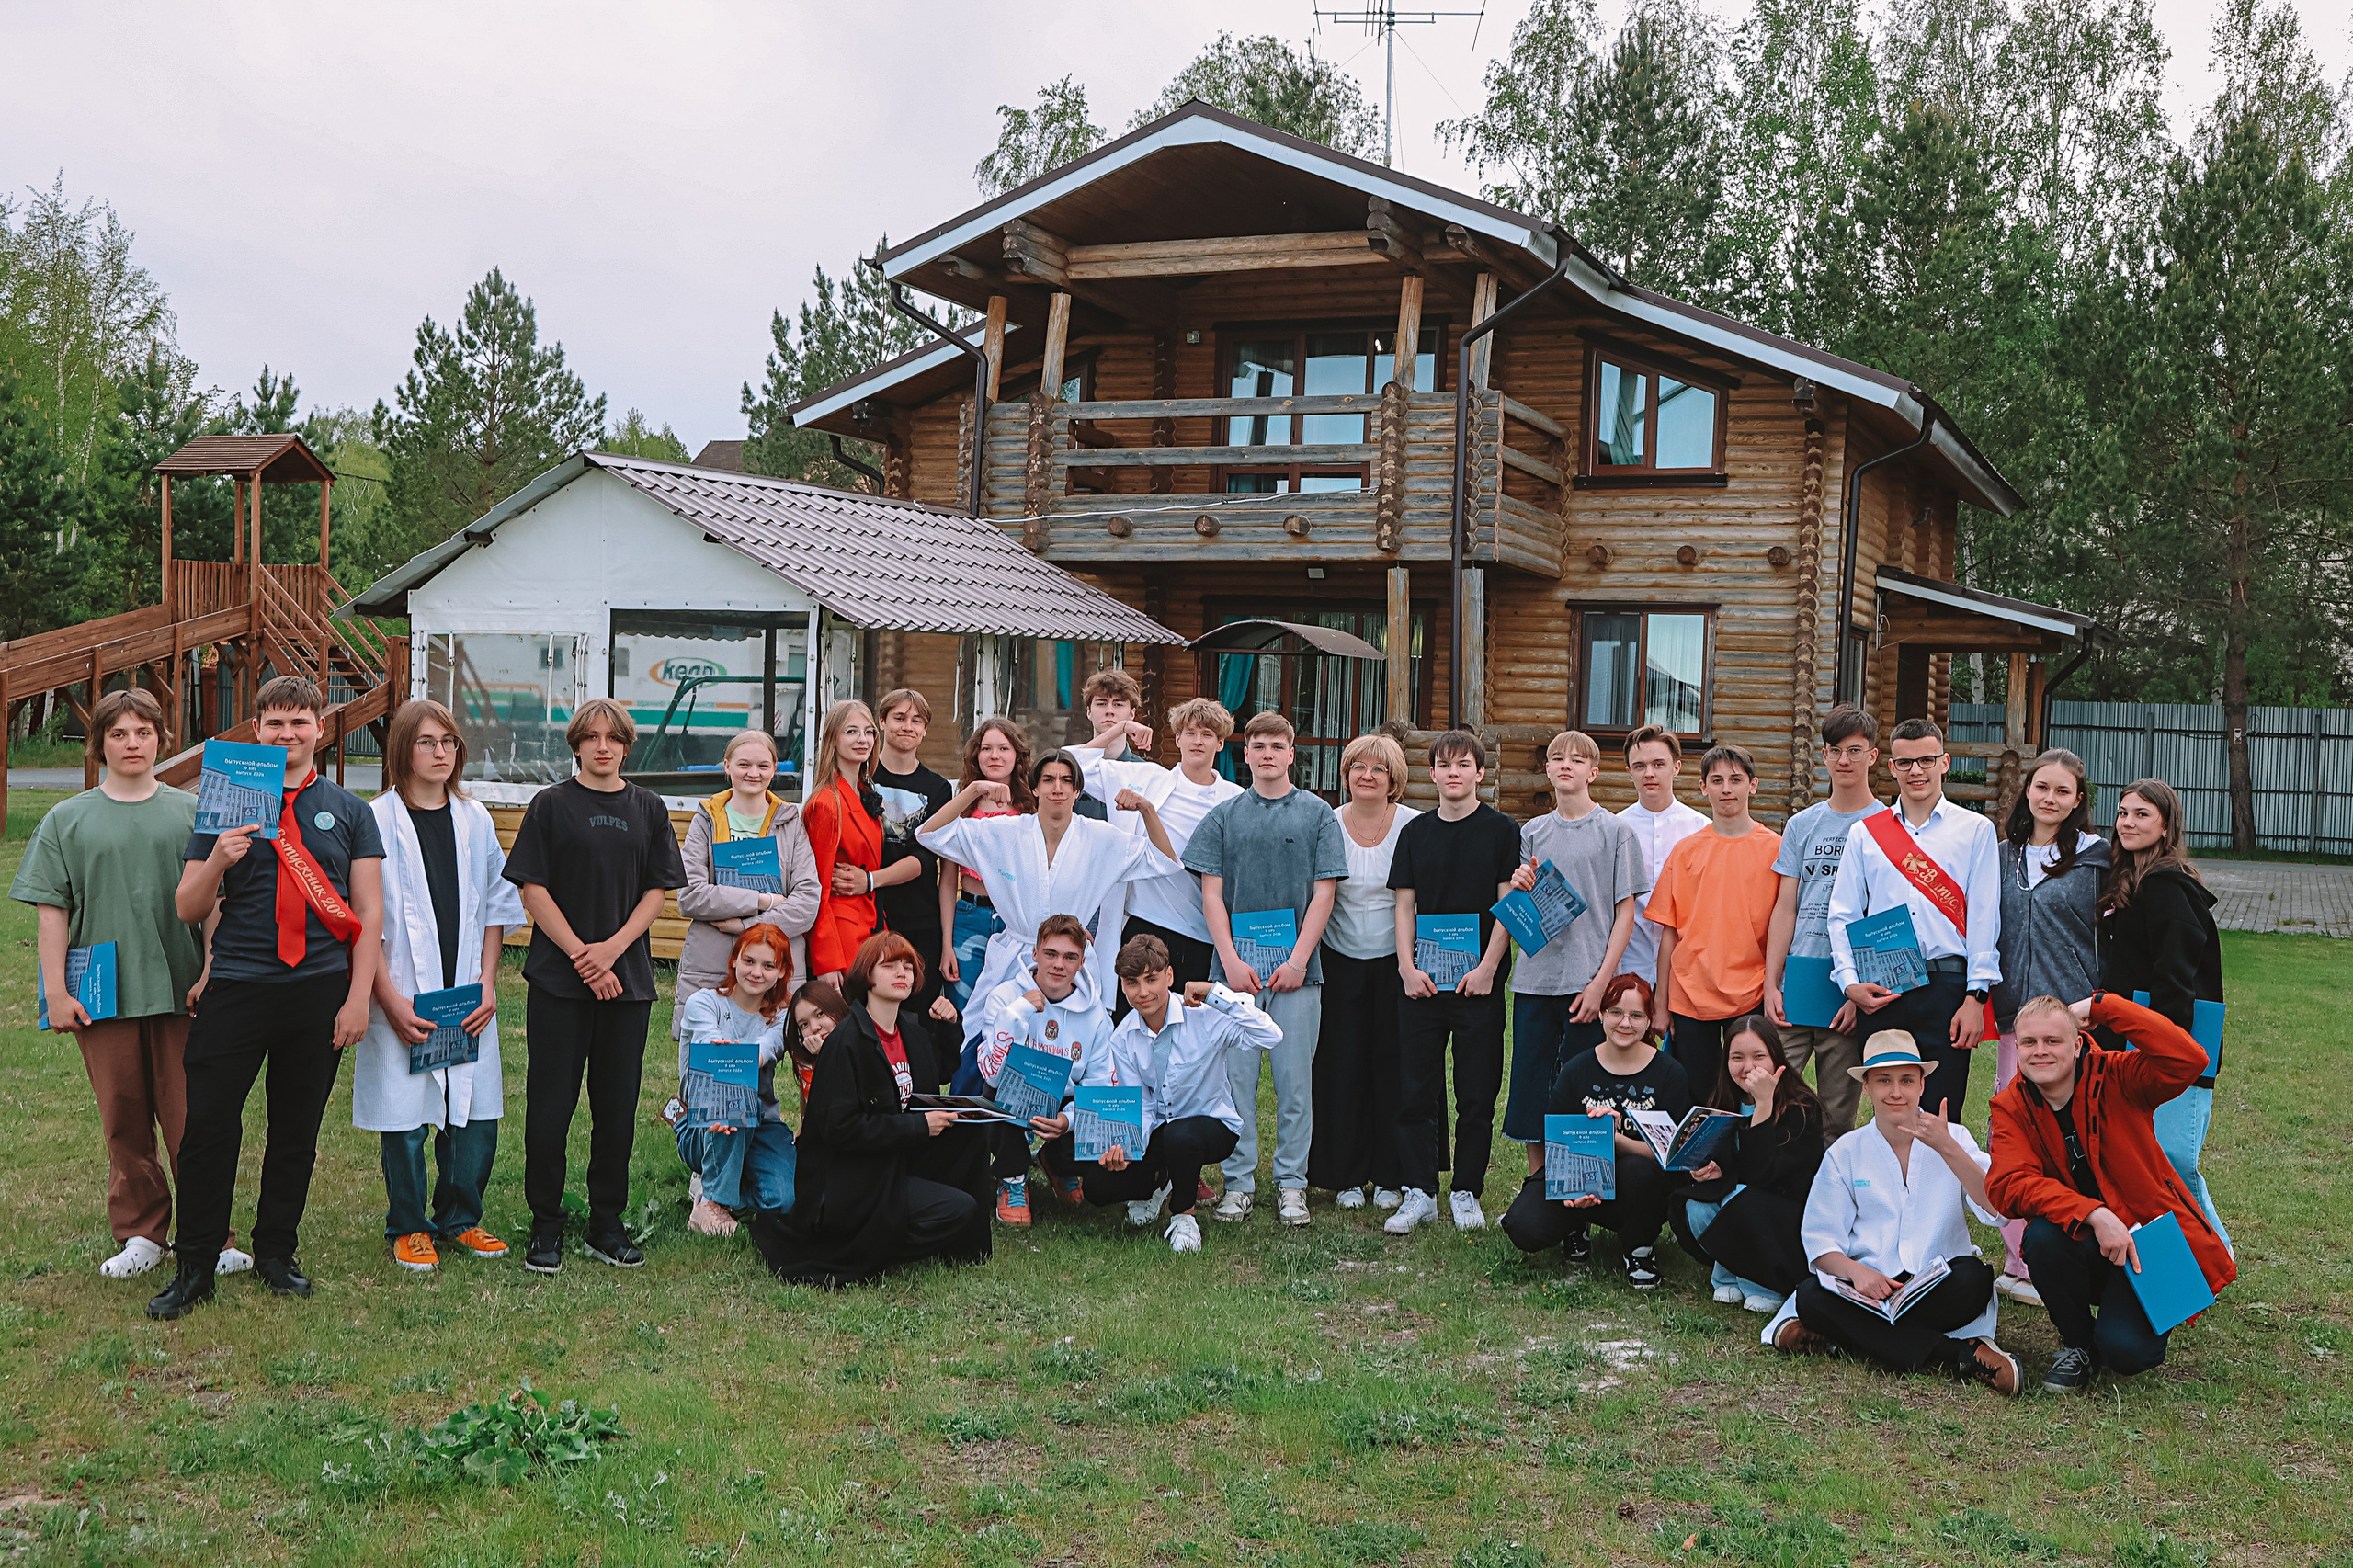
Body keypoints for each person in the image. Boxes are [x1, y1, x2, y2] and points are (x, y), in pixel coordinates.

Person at [151, 676, 385, 1319]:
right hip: (239, 988)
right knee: (207, 1129)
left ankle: (277, 1253)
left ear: (321, 728)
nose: (288, 734)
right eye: (275, 723)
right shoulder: (226, 804)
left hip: (317, 992)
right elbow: (186, 907)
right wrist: (219, 861)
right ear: (256, 730)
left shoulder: (351, 810)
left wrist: (358, 998)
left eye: (299, 722)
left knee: (295, 1131)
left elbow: (368, 911)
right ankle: (195, 1265)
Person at [11, 689, 251, 1284]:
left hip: (182, 989)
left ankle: (208, 1233)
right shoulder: (67, 820)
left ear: (160, 738)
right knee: (124, 1116)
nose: (133, 743)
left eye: (143, 731)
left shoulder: (192, 813)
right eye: (118, 734)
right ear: (99, 746)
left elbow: (218, 902)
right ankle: (142, 1232)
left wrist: (212, 969)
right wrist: (55, 992)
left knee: (191, 1118)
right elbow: (51, 911)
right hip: (101, 998)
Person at [503, 697, 688, 1276]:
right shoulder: (550, 805)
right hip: (559, 981)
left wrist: (610, 951)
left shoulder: (649, 808)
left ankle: (606, 1223)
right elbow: (532, 888)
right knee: (550, 1106)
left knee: (616, 1110)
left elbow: (657, 893)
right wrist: (582, 955)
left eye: (614, 738)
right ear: (576, 744)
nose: (603, 747)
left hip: (626, 983)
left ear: (627, 746)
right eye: (592, 737)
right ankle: (546, 1225)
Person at [1988, 994, 2236, 1392]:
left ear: (2077, 1042)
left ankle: (2127, 1318)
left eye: (2053, 1041)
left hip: (2147, 1244)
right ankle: (2079, 1345)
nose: (2040, 1052)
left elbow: (2188, 1058)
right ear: (2017, 1047)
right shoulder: (2011, 1106)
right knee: (2042, 1238)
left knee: (2127, 1353)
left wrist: (2106, 1007)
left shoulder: (2117, 1074)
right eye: (2029, 1043)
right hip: (2084, 1243)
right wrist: (2093, 1214)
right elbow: (2008, 1184)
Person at [354, 699, 525, 1272]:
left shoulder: (474, 820)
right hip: (401, 990)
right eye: (427, 742)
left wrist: (488, 982)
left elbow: (497, 904)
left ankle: (461, 1218)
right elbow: (361, 918)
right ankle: (408, 1224)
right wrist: (388, 1000)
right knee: (405, 1115)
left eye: (449, 742)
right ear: (402, 748)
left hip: (465, 992)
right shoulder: (374, 820)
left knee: (474, 1112)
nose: (440, 753)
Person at [1765, 1030, 2022, 1396]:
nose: (1896, 1092)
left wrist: (1948, 1149)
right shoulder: (1846, 1151)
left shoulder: (1954, 1138)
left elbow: (1997, 1210)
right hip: (1867, 1289)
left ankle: (1850, 1337)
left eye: (1906, 1080)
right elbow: (1820, 1241)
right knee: (1810, 1296)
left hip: (1935, 1284)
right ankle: (1956, 1355)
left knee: (1975, 1279)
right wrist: (1857, 1272)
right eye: (1883, 1080)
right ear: (1866, 1086)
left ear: (1922, 1085)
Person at [920, 748, 1178, 1095]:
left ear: (1077, 792)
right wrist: (973, 792)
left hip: (1065, 965)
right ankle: (974, 1137)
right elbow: (930, 834)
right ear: (1035, 788)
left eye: (1066, 781)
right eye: (1049, 780)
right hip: (1014, 954)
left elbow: (1164, 861)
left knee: (1063, 1055)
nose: (1058, 787)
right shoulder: (1004, 832)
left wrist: (1147, 809)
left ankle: (1053, 1133)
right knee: (984, 1046)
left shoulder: (1099, 838)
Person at [751, 932, 994, 1287]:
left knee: (973, 1131)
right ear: (867, 974)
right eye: (890, 965)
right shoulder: (845, 1043)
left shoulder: (908, 1027)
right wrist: (919, 1128)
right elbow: (842, 1130)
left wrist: (949, 1028)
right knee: (956, 1208)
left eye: (908, 966)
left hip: (895, 1154)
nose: (903, 972)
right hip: (855, 1175)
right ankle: (877, 1245)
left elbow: (937, 1074)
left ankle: (965, 1249)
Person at [1188, 711, 1347, 1228]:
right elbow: (1211, 894)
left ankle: (1291, 1184)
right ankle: (1238, 1183)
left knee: (1294, 1084)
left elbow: (1325, 893)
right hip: (1235, 976)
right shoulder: (1224, 816)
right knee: (1236, 1086)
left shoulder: (1318, 814)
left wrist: (1299, 960)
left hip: (1299, 973)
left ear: (1291, 754)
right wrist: (1230, 961)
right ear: (1245, 753)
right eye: (1257, 745)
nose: (1267, 754)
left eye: (1277, 745)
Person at [1825, 718, 1999, 1119]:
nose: (1916, 771)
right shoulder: (1866, 834)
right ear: (1891, 767)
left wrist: (1976, 997)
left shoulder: (1975, 830)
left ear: (1945, 762)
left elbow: (1985, 919)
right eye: (1905, 763)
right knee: (1889, 1109)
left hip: (1948, 988)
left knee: (1942, 1109)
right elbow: (1843, 915)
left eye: (1926, 760)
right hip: (1884, 989)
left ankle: (1938, 1183)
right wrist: (1850, 983)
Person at [1382, 729, 1520, 1235]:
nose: (1454, 772)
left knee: (1477, 1090)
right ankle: (1419, 1191)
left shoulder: (1502, 830)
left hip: (1477, 986)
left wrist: (1487, 968)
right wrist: (1405, 967)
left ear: (1479, 774)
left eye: (1464, 765)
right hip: (1422, 982)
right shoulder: (1415, 833)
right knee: (1415, 1088)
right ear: (1433, 774)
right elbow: (1404, 904)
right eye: (1444, 765)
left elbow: (1510, 904)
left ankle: (1466, 1190)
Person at [1987, 749, 2109, 1303]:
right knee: (2015, 1132)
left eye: (2063, 791)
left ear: (2078, 800)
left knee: (2075, 1134)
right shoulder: (2003, 854)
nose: (2050, 799)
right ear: (2027, 792)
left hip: (2074, 1018)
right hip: (2017, 1017)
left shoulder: (2096, 859)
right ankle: (2018, 1258)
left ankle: (2072, 1252)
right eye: (2042, 788)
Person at [1070, 934, 1282, 1253]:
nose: (1143, 992)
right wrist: (1127, 1148)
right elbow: (1139, 1104)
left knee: (1180, 1136)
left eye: (1151, 979)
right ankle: (1159, 1183)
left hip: (1213, 1126)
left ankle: (1184, 1217)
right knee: (1098, 1187)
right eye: (1132, 983)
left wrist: (1215, 993)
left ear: (1169, 976)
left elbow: (1270, 1035)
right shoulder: (1123, 1037)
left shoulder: (1205, 1016)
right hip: (1161, 1130)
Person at [1503, 730, 1644, 1195]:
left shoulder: (1616, 831)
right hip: (1535, 979)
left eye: (1577, 759)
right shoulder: (1532, 832)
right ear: (1547, 770)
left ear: (1594, 772)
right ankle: (1536, 1188)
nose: (1567, 765)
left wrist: (1600, 983)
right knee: (1530, 1089)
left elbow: (1625, 911)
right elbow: (1518, 908)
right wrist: (1519, 882)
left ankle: (1580, 1188)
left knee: (1582, 1090)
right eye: (1557, 758)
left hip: (1587, 981)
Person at [2097, 778, 2229, 1249]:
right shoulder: (2133, 877)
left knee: (2173, 1156)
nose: (2127, 823)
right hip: (2140, 1036)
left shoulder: (2168, 885)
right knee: (2153, 1155)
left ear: (2166, 824)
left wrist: (2162, 1047)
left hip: (2175, 1042)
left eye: (2141, 815)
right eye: (2122, 812)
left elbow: (2177, 978)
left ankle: (2215, 1253)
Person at [1498, 973, 1689, 1288]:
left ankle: (1639, 1248)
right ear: (1601, 1014)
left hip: (1639, 1182)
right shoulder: (1576, 1069)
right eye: (1615, 1012)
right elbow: (1557, 1140)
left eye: (1636, 1015)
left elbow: (1669, 1155)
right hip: (1579, 1173)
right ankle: (1576, 1224)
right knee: (1522, 1225)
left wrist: (1612, 1138)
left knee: (1642, 1174)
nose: (1625, 1023)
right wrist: (1571, 1191)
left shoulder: (1670, 1073)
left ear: (1648, 1021)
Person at [1070, 694, 1242, 1011]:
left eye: (1207, 735)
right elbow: (1068, 763)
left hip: (1199, 932)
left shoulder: (1236, 800)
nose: (1197, 741)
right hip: (1142, 922)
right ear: (1177, 738)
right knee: (1129, 1023)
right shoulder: (1143, 778)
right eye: (1190, 733)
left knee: (1189, 1029)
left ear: (1220, 744)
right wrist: (1120, 727)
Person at [1763, 703, 1884, 1144]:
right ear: (1824, 756)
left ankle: (1830, 1203)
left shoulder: (1888, 825)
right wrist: (1770, 983)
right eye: (1835, 751)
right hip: (1799, 978)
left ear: (1873, 755)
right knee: (1773, 1101)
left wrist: (1860, 993)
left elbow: (1883, 918)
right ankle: (1779, 1199)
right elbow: (1786, 907)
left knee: (1836, 1118)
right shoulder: (1802, 824)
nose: (1844, 761)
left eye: (1855, 750)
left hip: (1848, 989)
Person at [1312, 733, 1419, 1211]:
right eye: (1358, 767)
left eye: (1378, 768)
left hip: (1399, 965)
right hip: (1340, 961)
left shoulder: (1414, 827)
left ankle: (1391, 1173)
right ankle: (1347, 1175)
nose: (1368, 775)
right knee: (1341, 1068)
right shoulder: (1328, 824)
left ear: (1394, 778)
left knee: (1393, 1069)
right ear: (1347, 775)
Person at [1643, 744, 1782, 1094]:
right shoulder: (1686, 851)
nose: (1726, 789)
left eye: (1736, 780)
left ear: (1753, 785)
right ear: (1703, 787)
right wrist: (1661, 1002)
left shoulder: (1776, 850)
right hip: (1692, 993)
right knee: (1698, 1093)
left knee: (1749, 1091)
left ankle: (1744, 1151)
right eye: (1717, 780)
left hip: (1752, 990)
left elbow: (1784, 925)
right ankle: (1703, 1152)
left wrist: (1774, 987)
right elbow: (1669, 934)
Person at [1669, 1015, 1826, 1312]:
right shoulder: (1724, 1099)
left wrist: (1764, 1104)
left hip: (1785, 1212)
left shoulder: (1803, 1108)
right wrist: (1711, 1170)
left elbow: (1763, 1176)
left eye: (1759, 1056)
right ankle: (1731, 1272)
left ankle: (1762, 1282)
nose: (1748, 1067)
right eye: (1737, 1057)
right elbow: (1733, 1167)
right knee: (1697, 1205)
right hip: (1741, 1200)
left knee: (1740, 1198)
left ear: (1776, 1059)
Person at [972, 915, 1111, 1226]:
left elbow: (1101, 1085)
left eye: (1070, 957)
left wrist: (1068, 1120)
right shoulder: (1004, 997)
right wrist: (1017, 1013)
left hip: (1064, 1102)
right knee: (994, 1093)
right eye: (1050, 954)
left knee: (1102, 1128)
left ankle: (1058, 1162)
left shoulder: (1096, 1014)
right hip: (1014, 1094)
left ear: (1081, 962)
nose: (1059, 965)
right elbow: (992, 1075)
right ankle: (1012, 1177)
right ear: (1035, 953)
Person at [676, 728, 821, 1024]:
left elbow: (806, 902)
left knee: (764, 1053)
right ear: (726, 766)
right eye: (744, 764)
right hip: (712, 958)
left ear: (774, 769)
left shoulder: (791, 822)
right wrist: (764, 900)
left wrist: (744, 925)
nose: (753, 773)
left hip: (773, 963)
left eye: (763, 766)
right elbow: (690, 895)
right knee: (708, 1051)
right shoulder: (705, 820)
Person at [675, 924, 799, 1237]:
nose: (756, 972)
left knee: (782, 1202)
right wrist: (732, 1073)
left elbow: (769, 1046)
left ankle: (719, 1181)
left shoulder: (783, 1018)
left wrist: (742, 1060)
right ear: (733, 960)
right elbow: (709, 1046)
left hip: (762, 1124)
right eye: (749, 961)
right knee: (734, 1098)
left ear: (782, 971)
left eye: (768, 965)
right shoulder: (704, 1003)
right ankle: (712, 1203)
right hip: (703, 1119)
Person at [803, 700, 924, 985]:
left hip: (870, 928)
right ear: (833, 738)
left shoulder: (863, 792)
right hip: (841, 937)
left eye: (869, 732)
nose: (863, 739)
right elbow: (816, 888)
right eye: (851, 731)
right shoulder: (826, 803)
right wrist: (826, 960)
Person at [933, 718, 1034, 1032]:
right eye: (986, 748)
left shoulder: (1032, 806)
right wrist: (947, 944)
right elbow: (948, 881)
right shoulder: (963, 805)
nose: (995, 756)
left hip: (1015, 919)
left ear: (1017, 755)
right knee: (964, 1009)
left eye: (1004, 748)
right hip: (969, 915)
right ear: (975, 755)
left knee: (1014, 1007)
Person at [871, 689, 955, 1022]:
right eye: (899, 718)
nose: (907, 727)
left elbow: (924, 859)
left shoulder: (938, 789)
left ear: (924, 731)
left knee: (916, 1015)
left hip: (920, 919)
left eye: (916, 721)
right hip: (870, 915)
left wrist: (868, 881)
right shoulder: (863, 779)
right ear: (882, 722)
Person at [1616, 724, 1708, 992]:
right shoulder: (1616, 829)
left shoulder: (1700, 829)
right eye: (1640, 766)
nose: (1650, 773)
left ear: (1676, 767)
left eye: (1659, 764)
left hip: (1687, 968)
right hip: (1628, 961)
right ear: (1629, 771)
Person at [783, 978, 851, 1110]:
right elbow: (820, 1110)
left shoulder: (863, 1043)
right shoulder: (804, 1057)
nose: (814, 1027)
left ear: (837, 1008)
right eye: (804, 1025)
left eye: (820, 1014)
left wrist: (826, 1055)